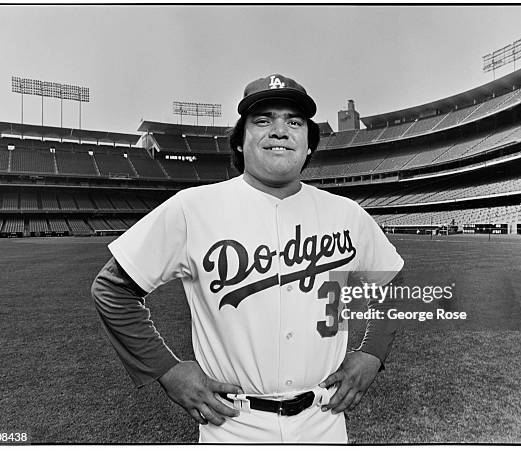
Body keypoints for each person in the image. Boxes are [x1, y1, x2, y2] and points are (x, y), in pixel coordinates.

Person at [91, 73, 404, 443]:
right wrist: (168, 371)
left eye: (294, 121)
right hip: (233, 425)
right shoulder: (192, 209)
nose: (279, 130)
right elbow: (112, 289)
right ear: (240, 142)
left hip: (324, 420)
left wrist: (372, 353)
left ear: (308, 145)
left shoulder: (347, 214)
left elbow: (390, 279)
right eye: (262, 120)